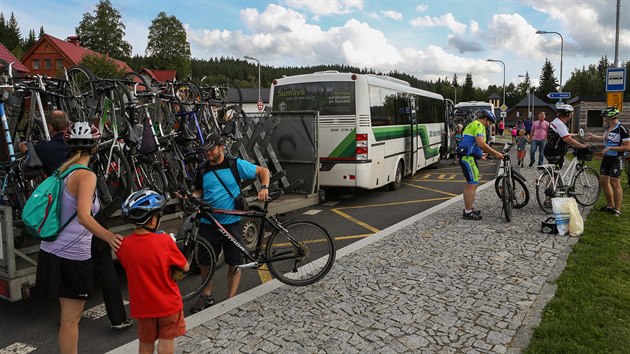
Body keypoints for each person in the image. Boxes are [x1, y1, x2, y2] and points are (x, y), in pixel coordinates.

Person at [33, 110, 132, 331]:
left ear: (51, 127)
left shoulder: (53, 157)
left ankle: (68, 318)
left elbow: (28, 161)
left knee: (69, 315)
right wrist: (109, 237)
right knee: (105, 264)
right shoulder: (86, 174)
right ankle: (117, 318)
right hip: (82, 228)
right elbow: (84, 214)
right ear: (95, 147)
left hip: (57, 222)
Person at [182, 133, 270, 313]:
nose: (208, 154)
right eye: (205, 151)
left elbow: (263, 171)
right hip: (209, 221)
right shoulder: (202, 169)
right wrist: (193, 197)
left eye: (211, 150)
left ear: (222, 147)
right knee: (205, 262)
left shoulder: (234, 164)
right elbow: (199, 191)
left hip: (231, 222)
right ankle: (207, 295)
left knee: (234, 262)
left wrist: (264, 188)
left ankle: (231, 298)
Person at [117, 189, 190, 354]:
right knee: (166, 341)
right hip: (168, 304)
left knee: (145, 343)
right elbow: (185, 266)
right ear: (151, 221)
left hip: (143, 307)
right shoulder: (164, 241)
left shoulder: (123, 246)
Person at [456, 110, 504, 220]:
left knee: (473, 183)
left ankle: (469, 208)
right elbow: (481, 143)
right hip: (468, 157)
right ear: (486, 120)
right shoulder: (479, 125)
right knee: (472, 183)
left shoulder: (471, 124)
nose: (490, 125)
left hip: (468, 156)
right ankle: (468, 212)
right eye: (490, 123)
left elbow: (469, 143)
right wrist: (496, 153)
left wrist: (480, 154)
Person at [585, 107, 630, 217]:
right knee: (603, 181)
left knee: (615, 183)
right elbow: (605, 138)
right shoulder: (608, 128)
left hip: (616, 158)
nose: (604, 119)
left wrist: (610, 148)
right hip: (606, 158)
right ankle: (610, 206)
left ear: (610, 117)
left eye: (605, 117)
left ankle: (617, 209)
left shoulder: (622, 129)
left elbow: (628, 147)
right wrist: (593, 137)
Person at [543, 104, 590, 168]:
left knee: (554, 172)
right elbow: (567, 139)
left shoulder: (556, 121)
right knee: (555, 172)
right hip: (555, 151)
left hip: (551, 149)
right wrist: (582, 146)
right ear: (568, 115)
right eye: (571, 114)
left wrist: (576, 134)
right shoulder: (560, 124)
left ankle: (547, 178)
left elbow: (562, 134)